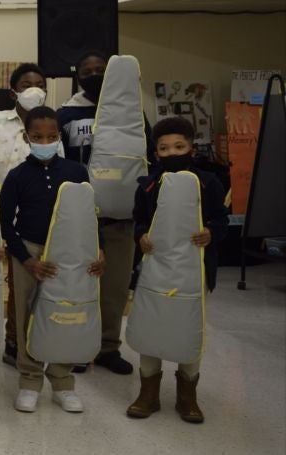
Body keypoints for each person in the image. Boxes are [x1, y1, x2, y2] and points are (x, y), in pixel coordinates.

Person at [0, 107, 104, 414]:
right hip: (29, 253)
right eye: (37, 136)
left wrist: (100, 249)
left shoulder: (76, 172)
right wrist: (25, 259)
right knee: (27, 315)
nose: (45, 141)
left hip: (70, 254)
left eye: (51, 136)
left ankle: (62, 381)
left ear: (59, 136)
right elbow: (4, 222)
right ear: (26, 137)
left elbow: (90, 215)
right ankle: (30, 381)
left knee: (64, 312)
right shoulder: (17, 176)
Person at [56, 52, 152, 375]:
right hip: (81, 218)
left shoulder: (132, 114)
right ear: (78, 75)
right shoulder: (66, 113)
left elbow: (147, 158)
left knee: (115, 287)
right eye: (88, 70)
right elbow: (57, 158)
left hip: (122, 219)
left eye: (101, 70)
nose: (95, 74)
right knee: (79, 284)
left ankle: (109, 346)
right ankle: (77, 346)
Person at [126, 117, 227, 424]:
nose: (172, 153)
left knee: (187, 326)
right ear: (156, 153)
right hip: (154, 269)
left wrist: (211, 232)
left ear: (191, 148)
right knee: (151, 326)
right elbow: (139, 220)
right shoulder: (147, 186)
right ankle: (148, 393)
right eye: (165, 148)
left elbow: (221, 219)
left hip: (194, 272)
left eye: (179, 147)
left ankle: (187, 395)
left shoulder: (209, 183)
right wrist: (141, 235)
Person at [0, 63, 49, 367]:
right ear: (13, 91)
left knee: (23, 285)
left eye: (40, 84)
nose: (34, 89)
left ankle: (18, 340)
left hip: (31, 220)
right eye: (27, 84)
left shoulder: (51, 127)